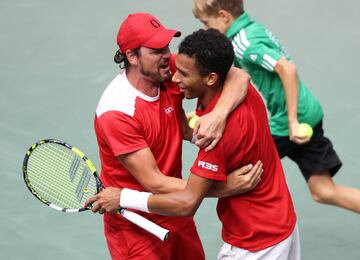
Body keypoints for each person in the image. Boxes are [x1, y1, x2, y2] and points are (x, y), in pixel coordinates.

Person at [88, 28, 300, 260]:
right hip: (136, 227)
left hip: (242, 236)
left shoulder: (215, 136)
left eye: (167, 49)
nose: (173, 71)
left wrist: (218, 115)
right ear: (132, 57)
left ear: (210, 78)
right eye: (157, 51)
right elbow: (156, 182)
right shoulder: (119, 111)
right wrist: (194, 132)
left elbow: (188, 201)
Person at [192, 0, 360, 213]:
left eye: (208, 23)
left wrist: (292, 122)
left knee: (238, 169)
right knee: (323, 191)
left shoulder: (245, 43)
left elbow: (287, 69)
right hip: (308, 112)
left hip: (291, 120)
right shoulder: (251, 29)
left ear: (224, 16)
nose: (207, 30)